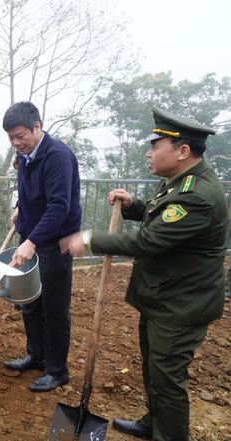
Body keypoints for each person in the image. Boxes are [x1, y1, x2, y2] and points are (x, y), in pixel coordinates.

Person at [61, 107, 227, 441]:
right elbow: (161, 217)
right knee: (155, 371)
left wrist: (90, 238)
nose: (148, 154)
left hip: (181, 305)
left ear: (182, 151)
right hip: (165, 296)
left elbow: (151, 240)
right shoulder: (181, 182)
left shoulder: (197, 195)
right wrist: (134, 204)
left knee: (167, 381)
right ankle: (153, 424)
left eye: (155, 146)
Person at [2, 101, 82, 392]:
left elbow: (59, 205)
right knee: (30, 302)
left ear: (38, 126)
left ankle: (58, 370)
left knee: (54, 307)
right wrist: (20, 206)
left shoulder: (57, 155)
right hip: (32, 236)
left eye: (20, 135)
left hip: (54, 241)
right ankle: (37, 356)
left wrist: (32, 242)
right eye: (11, 137)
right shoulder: (24, 155)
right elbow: (24, 185)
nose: (16, 142)